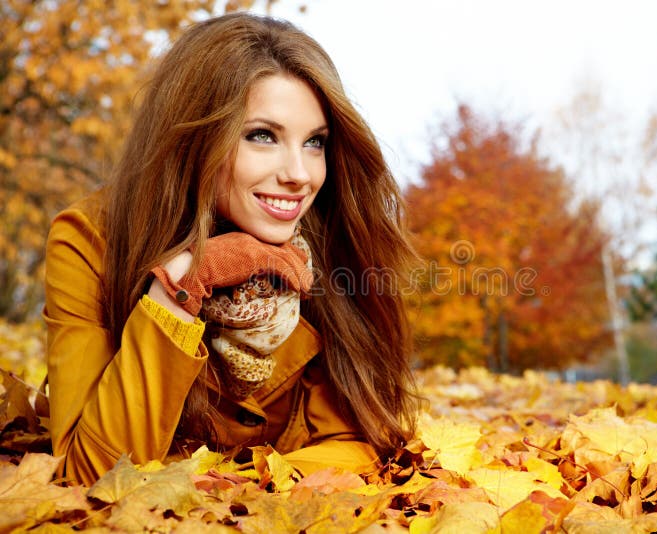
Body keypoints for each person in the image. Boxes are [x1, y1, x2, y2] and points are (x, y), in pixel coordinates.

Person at [43, 13, 419, 486]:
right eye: (262, 136)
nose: (300, 174)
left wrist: (225, 490)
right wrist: (181, 284)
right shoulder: (90, 241)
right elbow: (87, 476)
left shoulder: (326, 244)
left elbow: (356, 442)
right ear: (194, 139)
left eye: (315, 142)